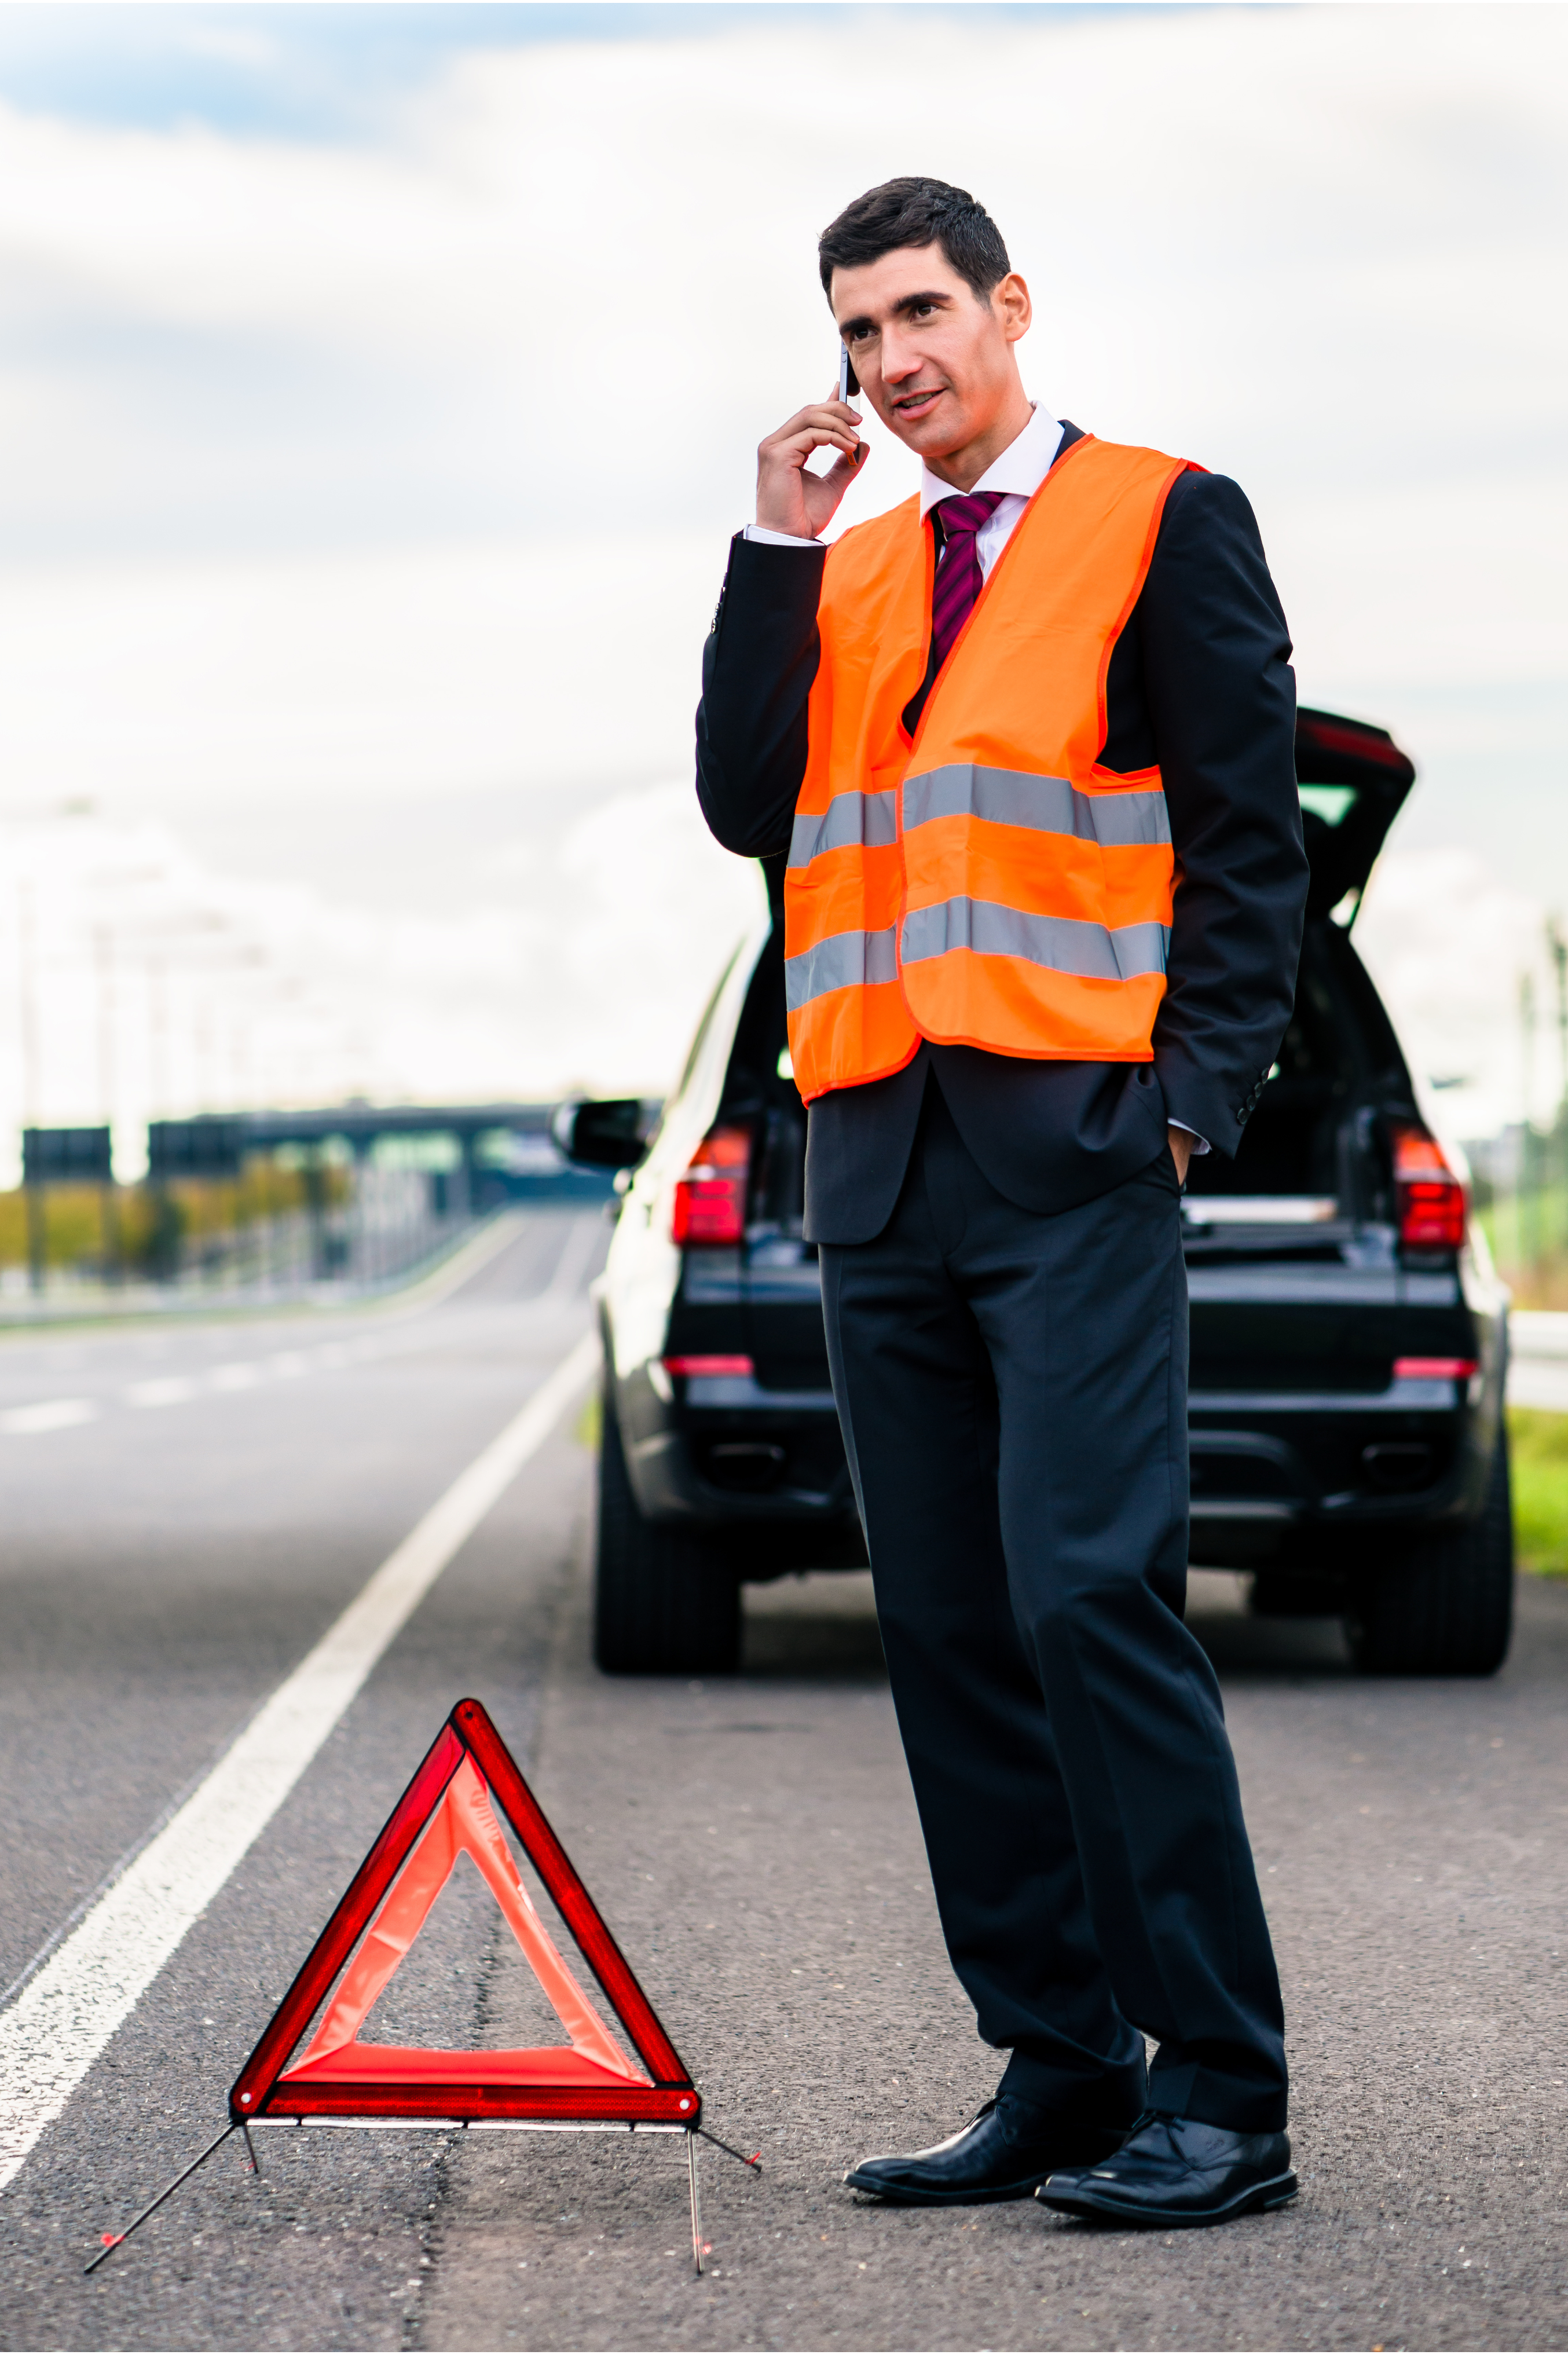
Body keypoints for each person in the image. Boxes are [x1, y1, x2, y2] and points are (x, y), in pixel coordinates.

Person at [694, 177, 1307, 2230]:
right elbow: (742, 804)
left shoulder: (1159, 513)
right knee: (951, 1630)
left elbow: (1245, 836)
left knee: (1084, 1595)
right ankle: (1056, 2069)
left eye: (922, 313)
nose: (893, 361)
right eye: (861, 332)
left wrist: (1191, 1105)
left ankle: (1221, 2086)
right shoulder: (848, 562)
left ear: (1008, 305)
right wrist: (772, 547)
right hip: (875, 1164)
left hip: (1072, 1159)